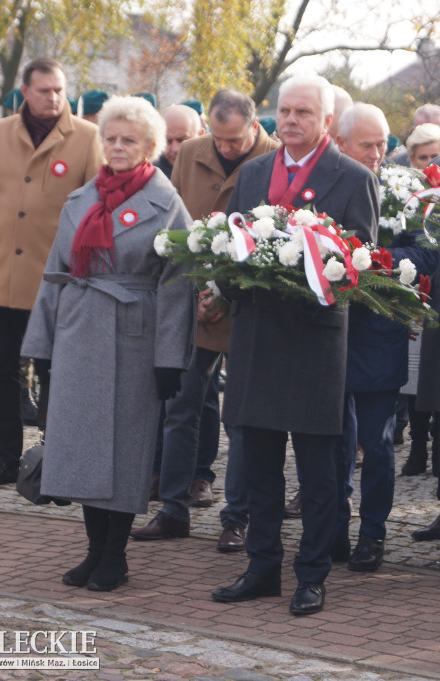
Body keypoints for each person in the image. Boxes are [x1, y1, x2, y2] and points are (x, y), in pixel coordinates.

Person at [210, 74, 378, 616]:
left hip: (313, 340)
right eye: (284, 110)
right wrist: (229, 283)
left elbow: (360, 263)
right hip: (257, 337)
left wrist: (302, 269)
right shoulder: (254, 171)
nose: (291, 120)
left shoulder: (351, 177)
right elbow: (231, 246)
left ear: (327, 120)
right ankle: (261, 569)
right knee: (257, 463)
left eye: (304, 112)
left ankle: (312, 574)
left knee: (317, 471)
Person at [21, 95, 194, 592]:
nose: (118, 147)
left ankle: (114, 557)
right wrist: (42, 343)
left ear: (151, 147)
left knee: (123, 455)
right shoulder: (81, 199)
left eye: (129, 140)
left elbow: (178, 283)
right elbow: (56, 273)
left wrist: (169, 358)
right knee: (79, 452)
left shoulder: (166, 204)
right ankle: (93, 550)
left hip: (132, 340)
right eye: (111, 138)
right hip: (77, 335)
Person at [131, 88, 279, 553]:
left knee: (242, 419)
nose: (226, 149)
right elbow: (175, 226)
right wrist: (193, 288)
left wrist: (225, 291)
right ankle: (173, 508)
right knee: (181, 409)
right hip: (192, 302)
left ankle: (237, 516)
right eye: (218, 138)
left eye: (235, 141)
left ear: (254, 127)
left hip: (248, 308)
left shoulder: (275, 160)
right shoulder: (191, 153)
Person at [0, 58, 103, 486]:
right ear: (25, 91)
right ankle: (6, 459)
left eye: (59, 90)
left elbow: (96, 212)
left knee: (55, 374)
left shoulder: (86, 136)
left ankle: (54, 462)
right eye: (44, 90)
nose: (53, 98)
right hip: (2, 276)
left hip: (57, 281)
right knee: (2, 371)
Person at [334, 103, 439, 571]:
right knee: (332, 440)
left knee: (376, 444)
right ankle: (332, 527)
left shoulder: (405, 190)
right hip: (331, 333)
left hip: (379, 333)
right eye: (367, 145)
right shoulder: (327, 184)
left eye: (382, 144)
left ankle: (372, 533)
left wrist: (374, 259)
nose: (378, 154)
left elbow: (430, 254)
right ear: (341, 144)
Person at [156, 104, 204, 177]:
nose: (175, 149)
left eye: (182, 140)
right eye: (167, 141)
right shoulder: (150, 178)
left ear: (201, 135)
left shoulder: (221, 168)